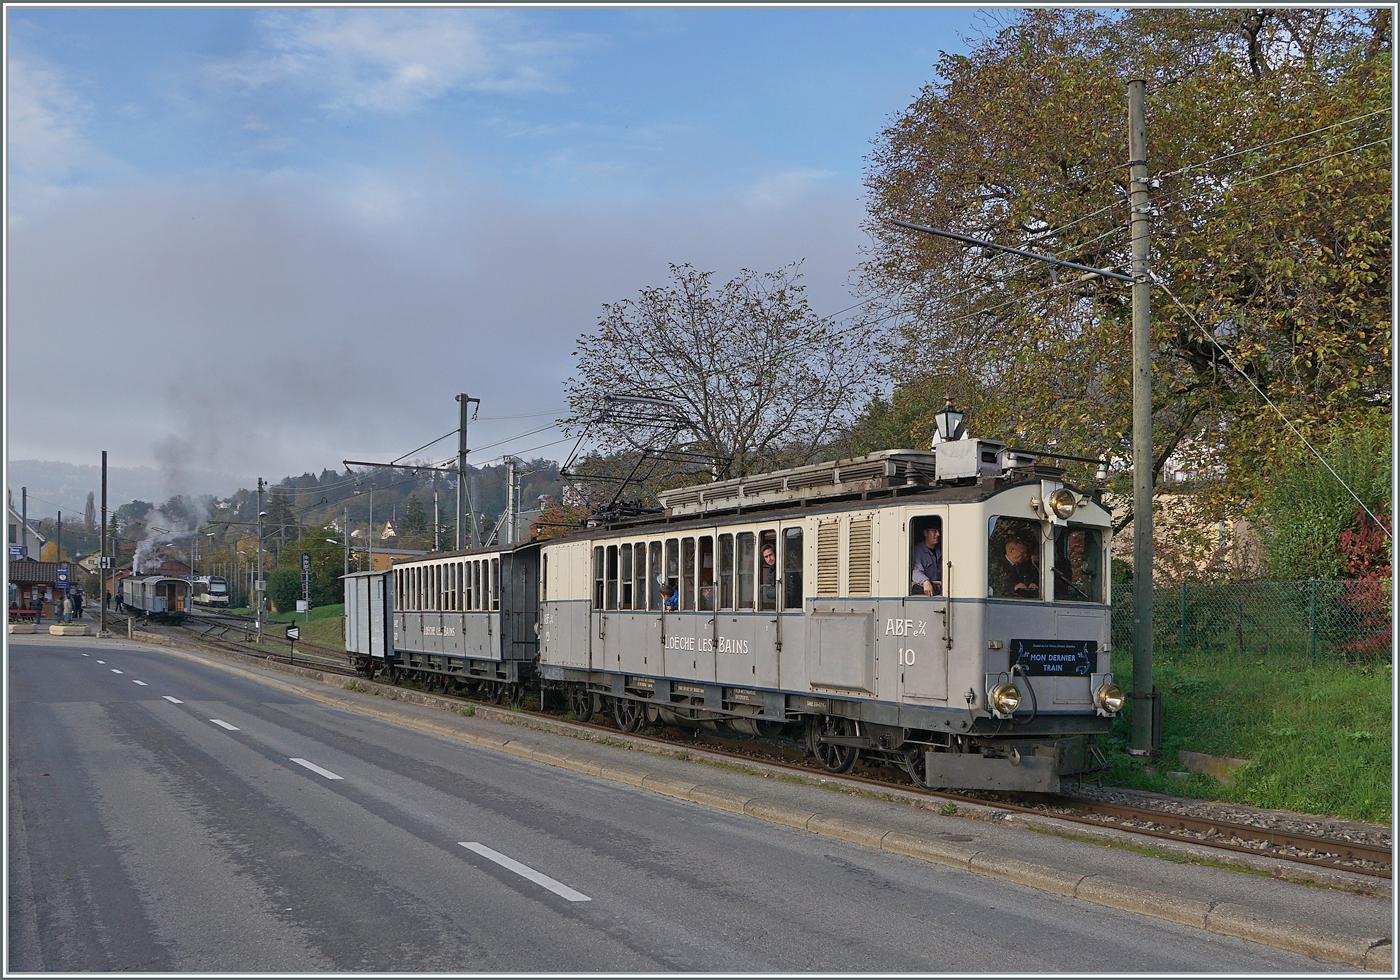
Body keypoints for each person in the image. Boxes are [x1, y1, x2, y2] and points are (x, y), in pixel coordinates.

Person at [910, 524, 943, 596]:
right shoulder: (917, 551)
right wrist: (925, 581)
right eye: (933, 531)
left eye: (938, 531)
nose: (938, 534)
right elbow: (916, 572)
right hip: (926, 594)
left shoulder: (940, 551)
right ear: (925, 533)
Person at [759, 542, 778, 606]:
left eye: (770, 555)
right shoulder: (770, 570)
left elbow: (789, 592)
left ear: (775, 554)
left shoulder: (786, 567)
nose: (769, 559)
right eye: (766, 557)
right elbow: (768, 593)